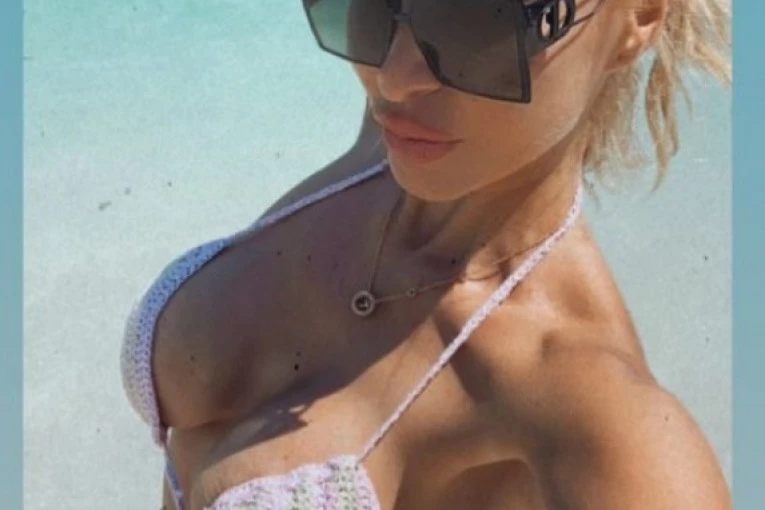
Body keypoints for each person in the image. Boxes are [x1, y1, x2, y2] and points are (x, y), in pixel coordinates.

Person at [120, 0, 731, 508]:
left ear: (639, 16)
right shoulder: (404, 139)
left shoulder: (612, 434)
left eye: (479, 19)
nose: (393, 76)